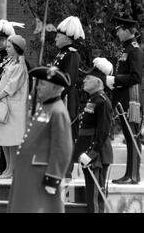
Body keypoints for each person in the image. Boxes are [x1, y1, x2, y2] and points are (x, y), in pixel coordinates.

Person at [8, 66, 73, 213]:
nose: (38, 88)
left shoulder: (58, 111)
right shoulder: (45, 108)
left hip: (40, 176)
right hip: (28, 173)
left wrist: (53, 176)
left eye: (42, 84)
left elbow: (63, 148)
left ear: (55, 87)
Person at [107, 16, 144, 184]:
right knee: (129, 137)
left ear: (128, 30)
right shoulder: (126, 49)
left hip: (131, 101)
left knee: (132, 137)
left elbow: (136, 76)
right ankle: (129, 173)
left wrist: (115, 80)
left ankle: (133, 175)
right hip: (124, 99)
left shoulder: (134, 50)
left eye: (119, 29)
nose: (117, 32)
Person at [75, 58, 114, 213]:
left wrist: (91, 154)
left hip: (96, 155)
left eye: (88, 78)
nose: (84, 80)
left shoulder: (103, 101)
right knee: (92, 195)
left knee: (95, 197)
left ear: (98, 82)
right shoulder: (94, 99)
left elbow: (103, 132)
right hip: (89, 154)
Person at [0, 19, 24, 176]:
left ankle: (8, 168)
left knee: (8, 135)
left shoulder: (14, 59)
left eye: (1, 39)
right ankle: (2, 166)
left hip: (8, 99)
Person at [53, 16, 85, 178]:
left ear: (66, 37)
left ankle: (67, 170)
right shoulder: (62, 54)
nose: (56, 38)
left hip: (65, 100)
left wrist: (56, 96)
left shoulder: (71, 55)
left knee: (67, 136)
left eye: (58, 36)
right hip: (57, 98)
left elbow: (69, 81)